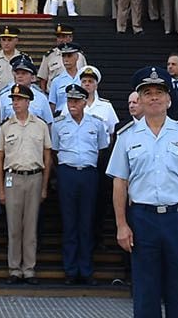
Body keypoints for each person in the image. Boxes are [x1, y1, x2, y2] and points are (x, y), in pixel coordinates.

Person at [110, 65, 178, 318]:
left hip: (177, 217)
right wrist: (122, 224)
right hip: (142, 218)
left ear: (168, 98)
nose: (154, 97)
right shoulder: (127, 136)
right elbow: (120, 183)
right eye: (147, 92)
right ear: (139, 99)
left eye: (159, 92)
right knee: (145, 291)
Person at [51, 84, 110, 286]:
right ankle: (70, 270)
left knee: (86, 222)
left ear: (85, 102)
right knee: (69, 223)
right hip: (67, 173)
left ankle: (85, 270)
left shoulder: (96, 123)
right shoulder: (59, 124)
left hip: (88, 174)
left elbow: (102, 149)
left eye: (76, 101)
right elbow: (54, 150)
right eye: (70, 100)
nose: (72, 104)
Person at [0, 84, 50, 284]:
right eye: (13, 100)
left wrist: (44, 185)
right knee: (14, 226)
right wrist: (0, 188)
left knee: (31, 226)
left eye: (19, 100)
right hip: (12, 177)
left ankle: (29, 269)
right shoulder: (6, 126)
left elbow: (47, 155)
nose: (15, 103)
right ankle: (14, 269)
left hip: (34, 176)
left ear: (28, 102)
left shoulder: (40, 126)